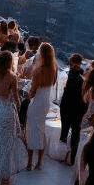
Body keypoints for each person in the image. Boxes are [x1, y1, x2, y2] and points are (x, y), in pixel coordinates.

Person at [0, 50, 21, 185]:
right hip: (7, 112)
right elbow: (17, 99)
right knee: (6, 147)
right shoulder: (12, 76)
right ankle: (4, 179)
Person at [24, 42, 57, 171]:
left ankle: (30, 162)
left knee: (31, 131)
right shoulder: (53, 69)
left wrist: (27, 95)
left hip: (36, 103)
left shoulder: (38, 71)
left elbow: (32, 92)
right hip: (45, 104)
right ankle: (40, 162)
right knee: (41, 131)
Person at [58, 53, 86, 166]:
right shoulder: (83, 77)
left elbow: (65, 92)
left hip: (68, 106)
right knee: (75, 134)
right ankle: (71, 159)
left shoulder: (69, 75)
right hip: (78, 109)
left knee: (65, 131)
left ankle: (63, 156)